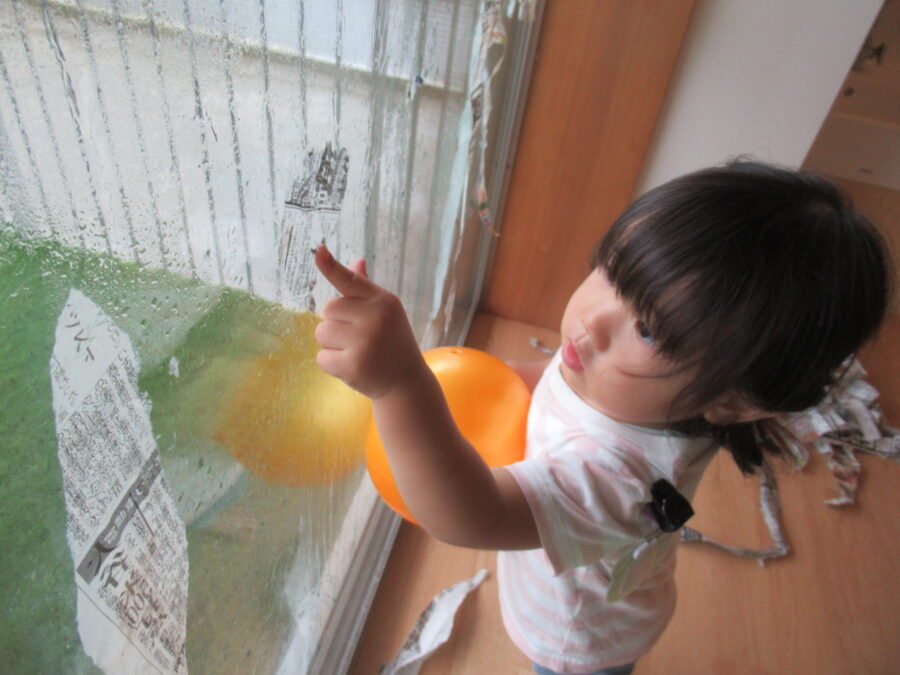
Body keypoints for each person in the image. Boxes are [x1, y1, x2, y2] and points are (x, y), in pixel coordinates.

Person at [312, 160, 892, 675]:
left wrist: (400, 387)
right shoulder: (643, 390)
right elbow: (552, 385)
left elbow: (471, 516)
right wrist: (487, 385)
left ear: (736, 401)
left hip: (578, 642)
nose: (591, 319)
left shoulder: (617, 476)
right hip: (603, 592)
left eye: (647, 330)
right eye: (611, 272)